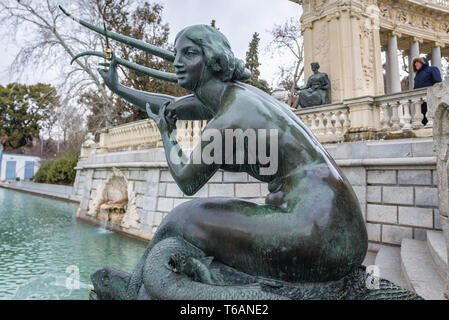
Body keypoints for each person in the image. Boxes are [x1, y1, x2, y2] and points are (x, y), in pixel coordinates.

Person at [96, 24, 367, 299]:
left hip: (317, 232)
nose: (177, 62)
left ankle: (132, 292)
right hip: (342, 228)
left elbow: (187, 181)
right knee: (194, 217)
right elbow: (167, 107)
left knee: (181, 217)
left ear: (214, 60)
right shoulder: (240, 95)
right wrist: (117, 86)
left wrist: (168, 136)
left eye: (188, 53)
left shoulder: (230, 117)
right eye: (176, 54)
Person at [412, 57, 442, 125]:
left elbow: (438, 83)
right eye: (414, 63)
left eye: (417, 62)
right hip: (420, 101)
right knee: (423, 119)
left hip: (430, 98)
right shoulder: (417, 75)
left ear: (423, 62)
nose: (415, 64)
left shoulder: (432, 69)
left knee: (433, 118)